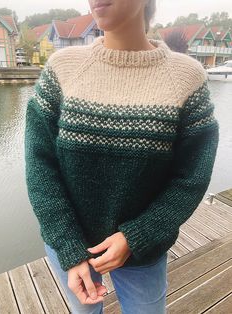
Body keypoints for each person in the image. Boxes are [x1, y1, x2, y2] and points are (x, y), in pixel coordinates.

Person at [24, 0, 219, 313]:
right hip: (74, 245)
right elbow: (40, 165)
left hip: (143, 249)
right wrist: (69, 247)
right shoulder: (62, 69)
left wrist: (137, 236)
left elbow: (192, 176)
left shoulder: (187, 78)